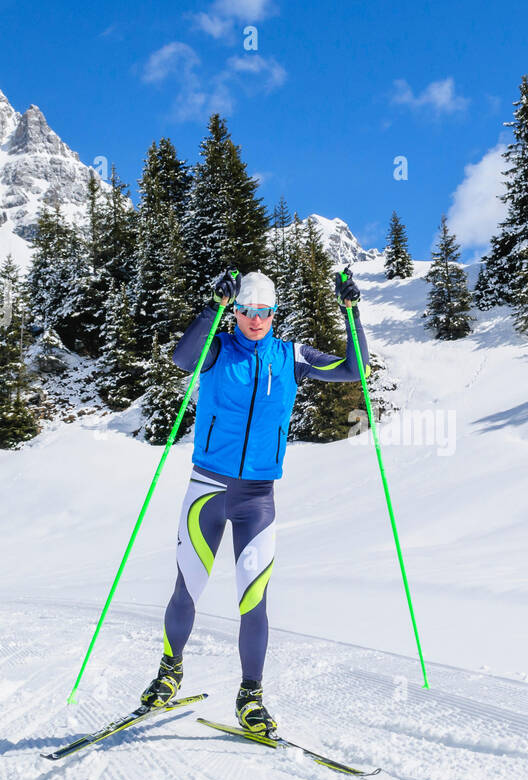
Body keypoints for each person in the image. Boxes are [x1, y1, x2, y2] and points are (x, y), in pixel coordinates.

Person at [139, 265, 369, 737]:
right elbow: (184, 359)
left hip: (257, 498)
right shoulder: (218, 347)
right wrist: (213, 308)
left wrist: (351, 312)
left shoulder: (293, 356)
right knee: (188, 587)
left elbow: (354, 369)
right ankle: (169, 670)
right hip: (207, 490)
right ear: (237, 310)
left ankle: (251, 695)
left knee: (254, 598)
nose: (256, 319)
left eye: (264, 311)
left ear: (274, 313)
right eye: (247, 310)